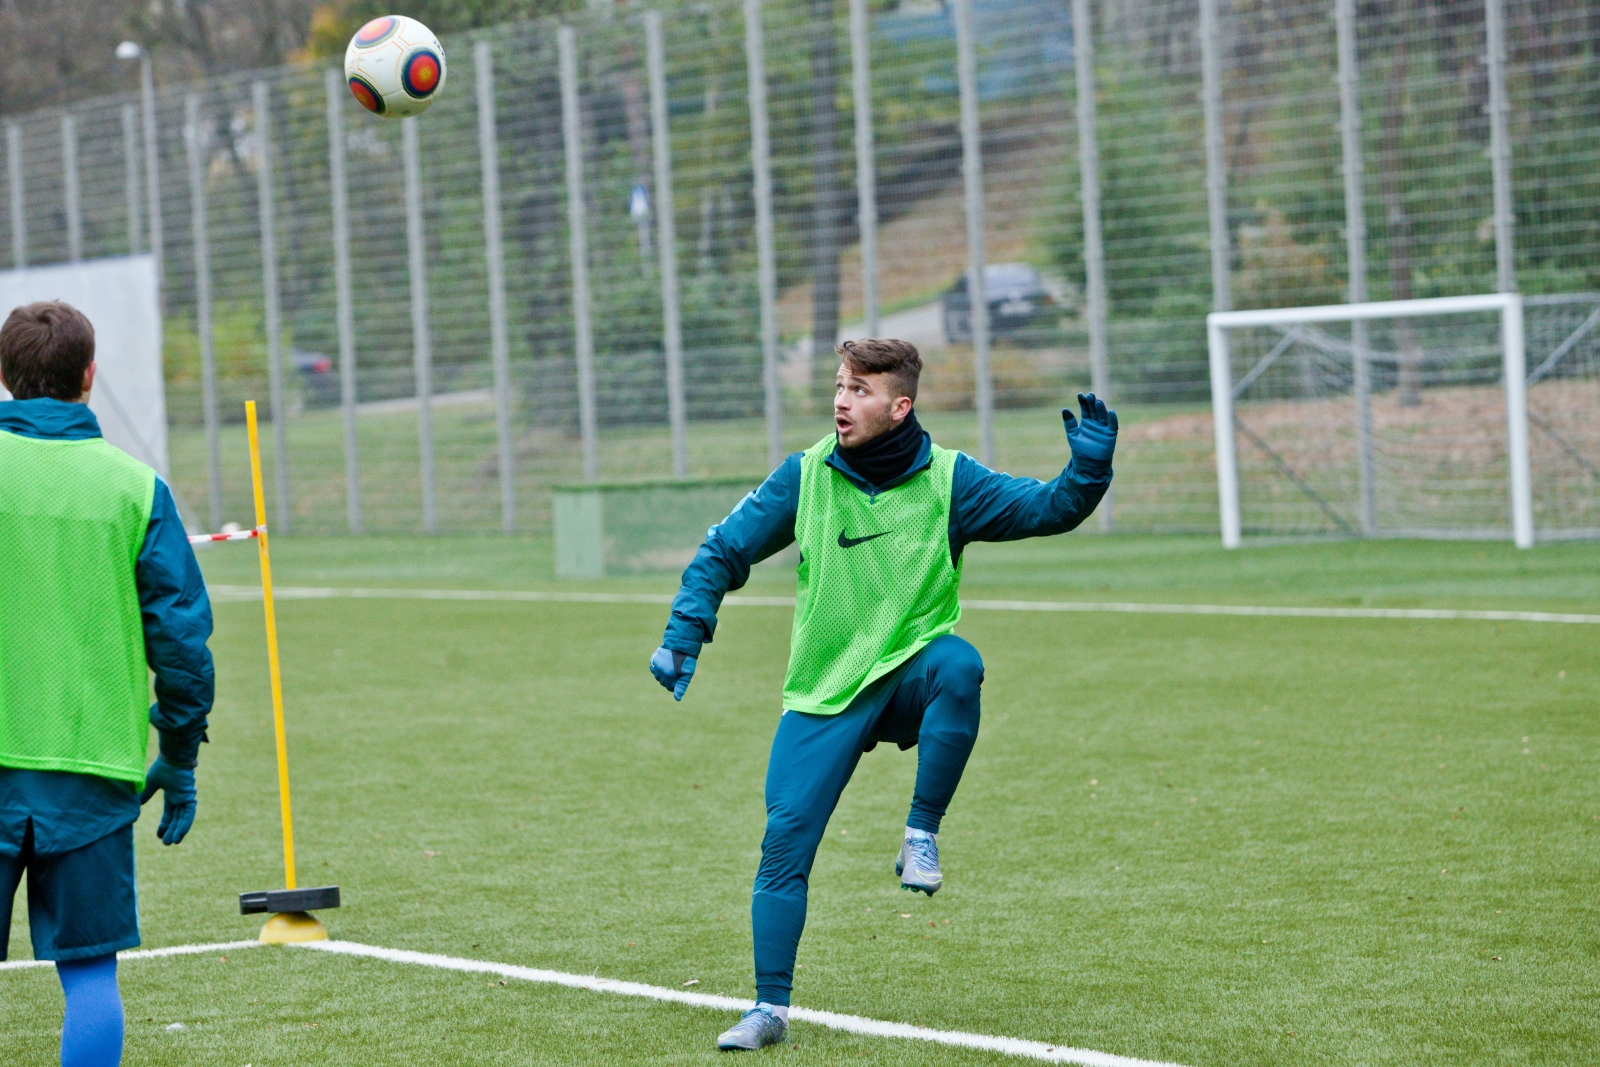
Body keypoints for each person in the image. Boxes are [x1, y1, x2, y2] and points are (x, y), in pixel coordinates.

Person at [648, 338, 1116, 1051]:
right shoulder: (805, 475)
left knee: (959, 664)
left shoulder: (951, 481)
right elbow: (724, 549)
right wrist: (686, 629)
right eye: (839, 385)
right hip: (824, 690)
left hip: (906, 674)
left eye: (860, 390)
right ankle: (769, 1008)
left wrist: (1089, 469)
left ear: (900, 406)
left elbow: (1050, 508)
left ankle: (920, 833)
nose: (841, 399)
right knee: (783, 847)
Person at [0, 301, 214, 1067]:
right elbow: (182, 645)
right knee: (91, 976)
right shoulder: (136, 489)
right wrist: (180, 753)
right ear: (89, 377)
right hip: (93, 772)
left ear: (5, 375)